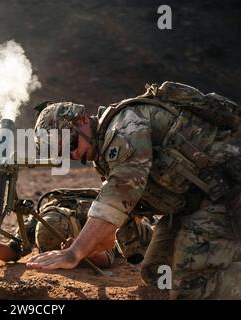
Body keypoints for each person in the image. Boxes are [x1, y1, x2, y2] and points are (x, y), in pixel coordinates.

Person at [27, 82, 241, 299]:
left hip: (226, 196)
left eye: (72, 143)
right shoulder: (103, 153)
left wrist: (75, 252)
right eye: (64, 154)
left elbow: (120, 193)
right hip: (189, 206)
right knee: (158, 273)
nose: (74, 155)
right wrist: (86, 247)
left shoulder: (123, 127)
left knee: (192, 286)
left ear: (82, 120)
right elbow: (118, 219)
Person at [0, 188, 155, 269]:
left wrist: (82, 249)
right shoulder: (42, 216)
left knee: (149, 235)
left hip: (116, 211)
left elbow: (107, 258)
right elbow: (13, 251)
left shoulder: (93, 219)